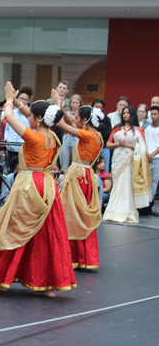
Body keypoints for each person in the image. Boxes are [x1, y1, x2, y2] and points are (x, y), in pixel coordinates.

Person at [0, 82, 75, 297]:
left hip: (30, 185)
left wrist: (9, 102)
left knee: (16, 228)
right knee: (45, 234)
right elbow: (30, 114)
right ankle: (46, 283)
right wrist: (46, 104)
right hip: (47, 185)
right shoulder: (52, 136)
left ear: (39, 119)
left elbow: (9, 119)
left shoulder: (34, 136)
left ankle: (2, 277)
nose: (27, 117)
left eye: (31, 116)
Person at [52, 91, 104, 270]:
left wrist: (57, 106)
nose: (75, 119)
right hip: (86, 176)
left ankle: (73, 257)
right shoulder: (95, 134)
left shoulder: (87, 135)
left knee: (72, 215)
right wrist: (62, 107)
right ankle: (84, 257)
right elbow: (71, 121)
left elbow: (61, 124)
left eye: (77, 117)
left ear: (85, 121)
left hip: (78, 178)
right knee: (80, 216)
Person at [103, 106, 151, 223]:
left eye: (128, 113)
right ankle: (112, 212)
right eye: (124, 113)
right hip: (117, 160)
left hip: (130, 161)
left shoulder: (138, 130)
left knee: (126, 186)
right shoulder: (116, 128)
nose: (125, 115)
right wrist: (118, 145)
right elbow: (108, 144)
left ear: (132, 114)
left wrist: (127, 145)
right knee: (117, 185)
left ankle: (126, 213)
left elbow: (142, 147)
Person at [4, 85, 31, 172]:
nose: (22, 101)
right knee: (11, 171)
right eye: (21, 98)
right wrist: (6, 139)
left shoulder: (30, 114)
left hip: (23, 147)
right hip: (11, 146)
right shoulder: (11, 111)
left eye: (25, 99)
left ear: (29, 101)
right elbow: (7, 127)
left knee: (23, 170)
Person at [59, 94, 83, 172]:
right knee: (64, 160)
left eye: (77, 103)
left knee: (76, 161)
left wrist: (74, 120)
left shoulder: (81, 114)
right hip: (66, 136)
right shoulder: (67, 113)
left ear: (80, 103)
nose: (75, 105)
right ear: (70, 103)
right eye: (73, 102)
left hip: (76, 137)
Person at [92, 99, 112, 173]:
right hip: (93, 147)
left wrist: (98, 133)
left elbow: (108, 133)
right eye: (96, 107)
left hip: (104, 147)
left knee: (105, 167)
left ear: (103, 108)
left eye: (100, 108)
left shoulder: (106, 119)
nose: (98, 110)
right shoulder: (90, 119)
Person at [145, 106, 159, 214]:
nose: (153, 116)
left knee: (154, 180)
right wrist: (147, 153)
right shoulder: (146, 127)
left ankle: (150, 203)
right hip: (145, 157)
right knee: (145, 180)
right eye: (152, 114)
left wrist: (153, 154)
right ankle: (144, 204)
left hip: (157, 158)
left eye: (155, 114)